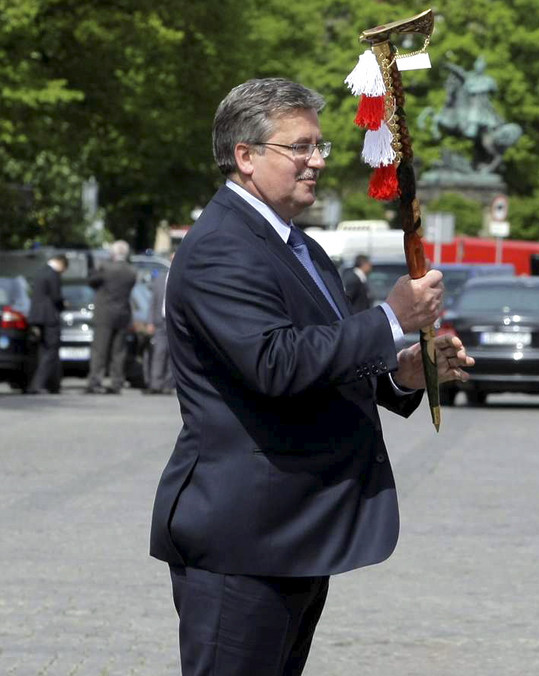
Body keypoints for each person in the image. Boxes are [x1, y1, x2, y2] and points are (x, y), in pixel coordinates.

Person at [148, 78, 474, 676]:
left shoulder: (298, 245)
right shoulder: (222, 246)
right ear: (246, 156)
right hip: (243, 535)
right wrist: (391, 316)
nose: (317, 161)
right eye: (299, 147)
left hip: (292, 531)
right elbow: (275, 364)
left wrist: (404, 374)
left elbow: (326, 359)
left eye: (319, 146)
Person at [85, 240, 137, 394]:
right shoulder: (131, 271)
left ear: (113, 253)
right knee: (118, 351)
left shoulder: (105, 268)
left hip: (104, 314)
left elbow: (91, 281)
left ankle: (95, 381)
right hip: (122, 314)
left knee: (100, 350)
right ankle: (117, 382)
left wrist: (95, 268)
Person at [27, 253, 68, 394]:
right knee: (51, 351)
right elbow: (56, 296)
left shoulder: (39, 272)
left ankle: (52, 384)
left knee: (42, 351)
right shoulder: (53, 275)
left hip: (36, 317)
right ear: (61, 264)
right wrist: (64, 305)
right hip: (49, 318)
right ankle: (38, 384)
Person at [144, 254, 173, 394]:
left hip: (175, 322)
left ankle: (168, 385)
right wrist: (149, 322)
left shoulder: (182, 279)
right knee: (159, 352)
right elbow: (153, 302)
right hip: (160, 321)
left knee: (172, 355)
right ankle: (155, 384)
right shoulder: (160, 279)